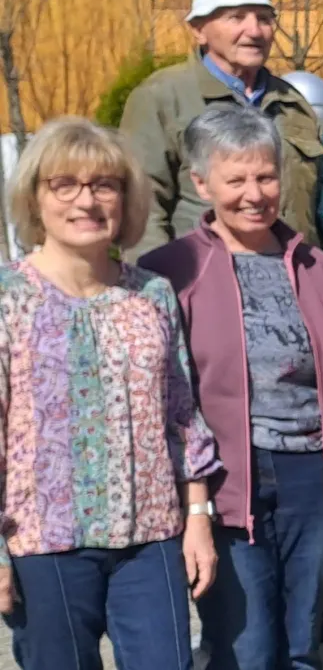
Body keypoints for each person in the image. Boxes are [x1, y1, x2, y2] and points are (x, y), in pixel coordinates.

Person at [0, 118, 222, 669]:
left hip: (149, 538)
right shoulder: (8, 299)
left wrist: (198, 519)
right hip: (44, 543)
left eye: (104, 185)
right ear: (35, 198)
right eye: (65, 184)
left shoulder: (150, 294)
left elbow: (182, 414)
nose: (87, 200)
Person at [138, 105, 323, 670]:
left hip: (313, 471)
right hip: (231, 476)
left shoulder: (313, 264)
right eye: (236, 179)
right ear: (202, 184)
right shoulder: (171, 269)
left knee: (303, 644)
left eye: (266, 176)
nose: (254, 193)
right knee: (246, 647)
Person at [120, 0, 323, 258]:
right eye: (236, 17)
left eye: (264, 18)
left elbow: (317, 212)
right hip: (200, 285)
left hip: (290, 281)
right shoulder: (161, 98)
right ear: (199, 30)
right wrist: (157, 290)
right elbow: (141, 210)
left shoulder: (292, 103)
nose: (254, 31)